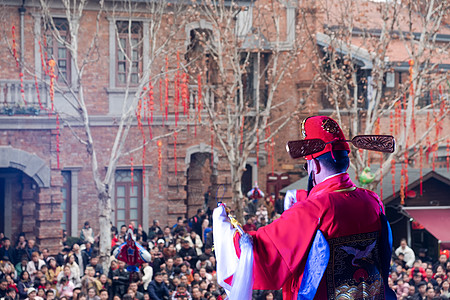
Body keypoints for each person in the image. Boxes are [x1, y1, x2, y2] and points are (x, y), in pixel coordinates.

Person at [213, 116, 396, 299]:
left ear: (314, 165)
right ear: (347, 162)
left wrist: (223, 227)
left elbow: (260, 252)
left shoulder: (312, 210)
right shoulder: (372, 200)